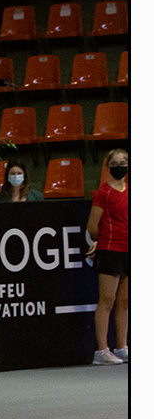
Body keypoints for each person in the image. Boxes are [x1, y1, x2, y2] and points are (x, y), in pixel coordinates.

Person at [86, 148, 129, 365]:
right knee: (107, 300)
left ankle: (122, 348)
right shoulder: (104, 192)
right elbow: (92, 227)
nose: (120, 166)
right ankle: (102, 351)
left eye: (123, 163)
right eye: (115, 163)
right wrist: (102, 242)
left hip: (129, 251)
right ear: (108, 167)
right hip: (110, 251)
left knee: (124, 302)